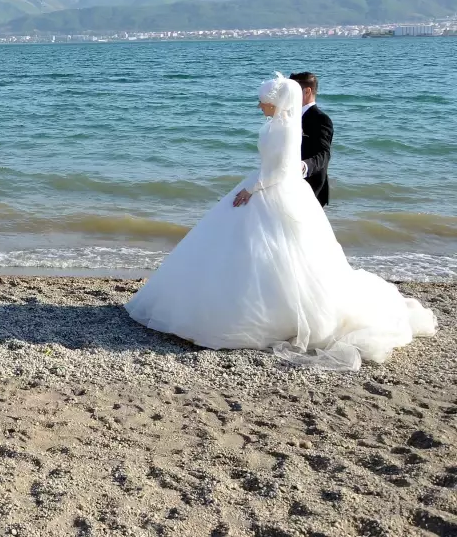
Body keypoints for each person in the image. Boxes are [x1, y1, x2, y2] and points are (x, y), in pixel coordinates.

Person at [125, 73, 436, 370]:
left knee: (281, 252)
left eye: (263, 101)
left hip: (273, 190)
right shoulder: (282, 123)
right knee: (248, 250)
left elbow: (286, 168)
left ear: (276, 101)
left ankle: (268, 317)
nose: (259, 105)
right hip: (265, 185)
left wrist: (252, 189)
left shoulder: (287, 127)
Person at [290, 71, 332, 207]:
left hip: (311, 187)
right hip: (288, 185)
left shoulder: (321, 119)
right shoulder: (288, 117)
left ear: (307, 91)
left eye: (293, 91)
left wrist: (304, 166)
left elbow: (324, 154)